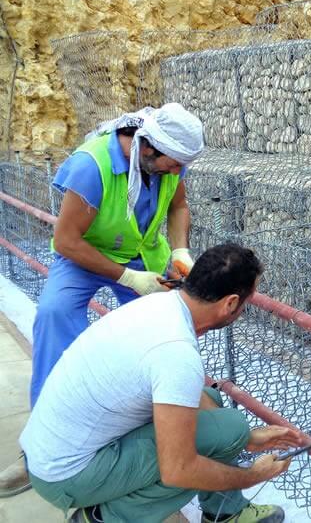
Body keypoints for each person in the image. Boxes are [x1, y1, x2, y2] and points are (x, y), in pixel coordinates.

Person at [0, 103, 205, 498]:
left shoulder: (167, 160)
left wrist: (180, 252)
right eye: (173, 164)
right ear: (147, 148)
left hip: (142, 254)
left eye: (182, 165)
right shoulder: (91, 166)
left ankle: (166, 417)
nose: (178, 172)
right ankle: (42, 447)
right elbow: (65, 241)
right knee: (54, 315)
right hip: (85, 255)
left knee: (172, 325)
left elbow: (179, 206)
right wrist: (128, 278)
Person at [18, 243, 301, 523]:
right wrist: (254, 476)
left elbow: (191, 399)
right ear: (230, 303)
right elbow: (178, 469)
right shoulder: (176, 351)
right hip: (67, 477)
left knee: (218, 412)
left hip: (47, 456)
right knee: (207, 445)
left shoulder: (160, 304)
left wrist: (246, 438)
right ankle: (105, 518)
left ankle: (225, 512)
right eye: (246, 303)